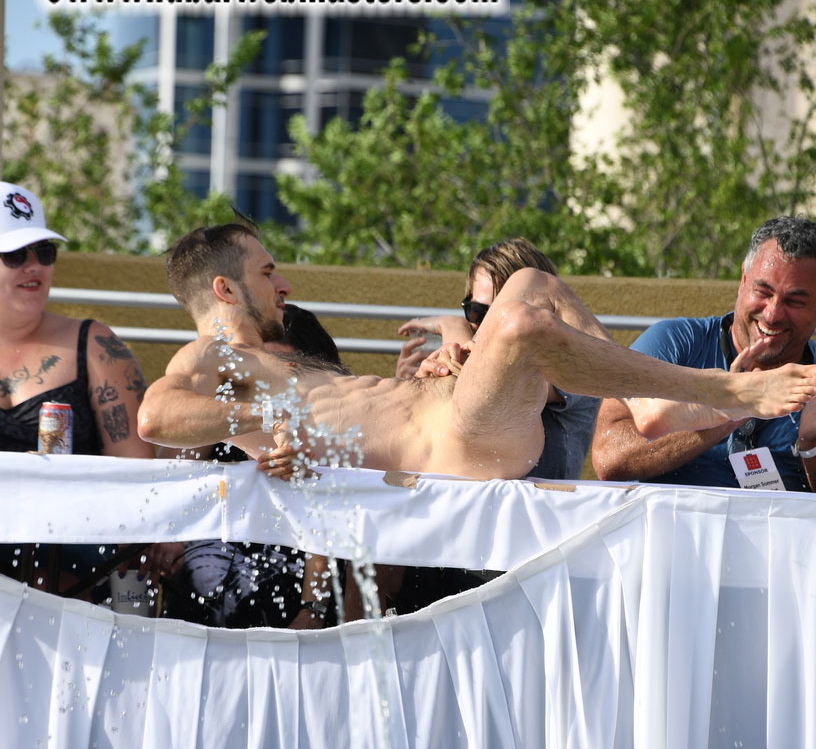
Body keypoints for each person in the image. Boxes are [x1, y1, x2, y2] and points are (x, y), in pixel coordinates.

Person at [138, 224, 816, 491]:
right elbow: (155, 416)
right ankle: (719, 392)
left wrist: (452, 353)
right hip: (456, 444)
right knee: (516, 319)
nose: (284, 284)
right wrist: (267, 422)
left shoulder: (283, 356)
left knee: (532, 283)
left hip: (465, 418)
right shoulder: (212, 357)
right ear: (223, 289)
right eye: (267, 272)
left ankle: (655, 404)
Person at [0, 180, 181, 593]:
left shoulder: (93, 344)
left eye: (44, 252)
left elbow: (137, 474)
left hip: (68, 551)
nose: (34, 266)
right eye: (15, 254)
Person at [591, 215, 816, 491]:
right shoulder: (675, 343)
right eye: (763, 291)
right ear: (743, 280)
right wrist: (731, 409)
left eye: (794, 301)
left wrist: (810, 445)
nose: (772, 314)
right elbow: (609, 457)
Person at [160, 303, 343, 629]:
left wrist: (312, 609)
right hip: (201, 609)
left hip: (291, 606)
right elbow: (170, 477)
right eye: (256, 368)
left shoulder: (327, 432)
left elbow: (329, 522)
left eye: (281, 371)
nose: (266, 383)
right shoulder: (227, 413)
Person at [395, 237, 599, 480]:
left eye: (505, 316)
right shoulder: (459, 352)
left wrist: (452, 326)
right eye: (478, 312)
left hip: (538, 503)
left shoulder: (573, 363)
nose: (489, 327)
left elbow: (486, 382)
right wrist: (410, 393)